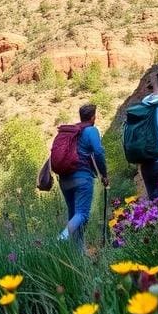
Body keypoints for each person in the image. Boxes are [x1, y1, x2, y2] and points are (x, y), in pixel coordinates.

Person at [58, 103, 108, 252]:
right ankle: (61, 238)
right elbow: (98, 152)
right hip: (82, 178)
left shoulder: (72, 132)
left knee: (74, 216)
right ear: (93, 117)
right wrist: (104, 174)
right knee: (82, 214)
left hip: (65, 179)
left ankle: (77, 255)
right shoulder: (91, 130)